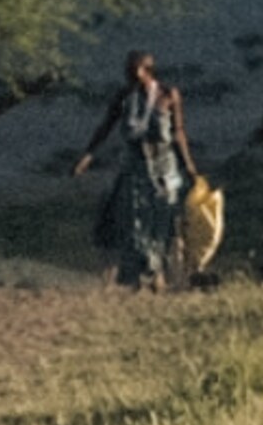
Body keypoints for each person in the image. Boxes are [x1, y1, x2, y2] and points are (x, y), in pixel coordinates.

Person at [73, 49, 194, 290]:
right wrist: (87, 156)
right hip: (135, 165)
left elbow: (178, 131)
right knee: (134, 223)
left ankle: (161, 274)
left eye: (133, 69)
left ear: (146, 70)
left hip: (164, 165)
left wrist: (189, 165)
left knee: (163, 221)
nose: (128, 74)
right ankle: (138, 276)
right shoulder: (123, 97)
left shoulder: (168, 95)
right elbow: (105, 127)